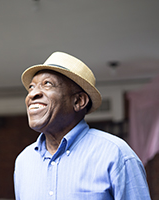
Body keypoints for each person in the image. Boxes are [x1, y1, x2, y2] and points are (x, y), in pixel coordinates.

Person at [14, 51, 151, 200]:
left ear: (79, 101)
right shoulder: (24, 161)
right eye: (31, 87)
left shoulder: (115, 154)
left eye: (47, 84)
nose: (32, 95)